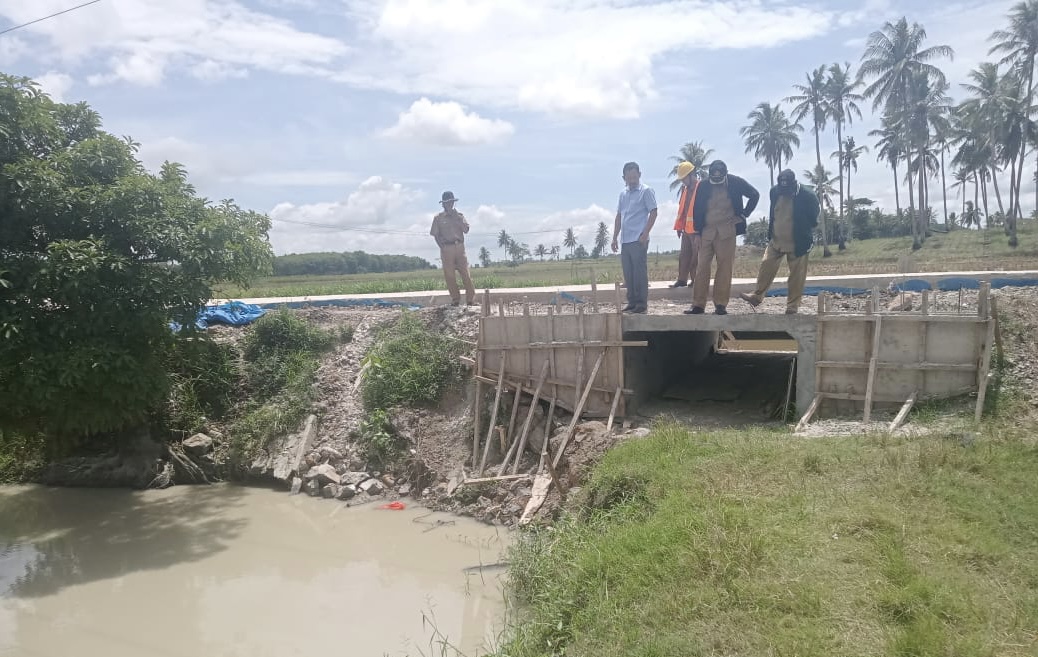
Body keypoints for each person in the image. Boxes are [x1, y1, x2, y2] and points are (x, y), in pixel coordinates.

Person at [739, 169, 819, 314]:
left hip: (798, 241)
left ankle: (792, 306)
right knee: (766, 265)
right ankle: (757, 296)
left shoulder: (808, 195)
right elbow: (773, 212)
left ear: (794, 184)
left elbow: (814, 217)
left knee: (797, 275)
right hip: (776, 239)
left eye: (787, 189)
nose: (784, 191)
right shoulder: (774, 192)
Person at [685, 160, 759, 315]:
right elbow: (697, 209)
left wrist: (743, 215)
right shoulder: (704, 185)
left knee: (725, 268)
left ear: (725, 174)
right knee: (702, 267)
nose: (716, 180)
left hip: (727, 231)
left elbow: (754, 195)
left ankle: (720, 304)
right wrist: (697, 233)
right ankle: (698, 305)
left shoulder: (735, 182)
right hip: (707, 231)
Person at [611, 161, 658, 314]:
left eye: (634, 177)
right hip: (625, 240)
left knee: (639, 273)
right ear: (623, 177)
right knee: (628, 273)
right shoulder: (623, 194)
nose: (632, 180)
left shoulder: (646, 191)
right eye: (628, 177)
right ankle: (631, 302)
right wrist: (614, 237)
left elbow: (653, 212)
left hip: (639, 239)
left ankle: (641, 304)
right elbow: (619, 216)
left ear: (639, 175)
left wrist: (645, 234)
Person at [429, 191, 476, 306]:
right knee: (450, 275)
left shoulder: (460, 216)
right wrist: (442, 247)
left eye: (451, 202)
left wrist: (457, 218)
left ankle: (470, 299)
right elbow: (435, 234)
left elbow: (466, 230)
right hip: (447, 248)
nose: (449, 204)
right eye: (447, 203)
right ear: (443, 204)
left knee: (466, 273)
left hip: (459, 247)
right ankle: (455, 299)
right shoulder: (438, 218)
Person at [668, 161, 700, 290]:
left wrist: (699, 231)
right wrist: (679, 226)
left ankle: (696, 281)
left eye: (684, 178)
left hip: (697, 230)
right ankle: (682, 280)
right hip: (686, 229)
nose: (682, 181)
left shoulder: (700, 187)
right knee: (684, 256)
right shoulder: (685, 190)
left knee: (695, 259)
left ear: (691, 174)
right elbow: (682, 209)